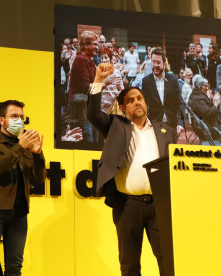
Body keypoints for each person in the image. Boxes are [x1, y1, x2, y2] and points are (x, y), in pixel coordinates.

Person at [87, 63, 177, 276]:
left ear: (146, 103)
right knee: (129, 265)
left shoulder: (166, 130)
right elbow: (92, 114)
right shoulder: (115, 125)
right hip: (127, 205)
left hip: (160, 206)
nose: (136, 102)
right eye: (130, 100)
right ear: (122, 108)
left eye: (139, 98)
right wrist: (99, 79)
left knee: (169, 261)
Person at [0, 100, 46, 276]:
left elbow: (39, 178)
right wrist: (20, 147)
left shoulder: (26, 145)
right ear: (1, 120)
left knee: (14, 266)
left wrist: (37, 155)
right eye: (14, 116)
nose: (19, 120)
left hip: (19, 212)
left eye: (21, 117)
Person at [68, 30, 100, 143]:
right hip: (80, 111)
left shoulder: (91, 62)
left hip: (89, 110)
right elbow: (85, 87)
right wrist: (105, 83)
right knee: (88, 141)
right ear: (85, 45)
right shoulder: (80, 60)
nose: (98, 47)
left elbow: (96, 86)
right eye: (95, 44)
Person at [142, 48, 183, 131]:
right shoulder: (146, 81)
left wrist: (180, 123)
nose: (155, 65)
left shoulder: (173, 79)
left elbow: (180, 103)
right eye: (153, 62)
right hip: (154, 125)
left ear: (164, 64)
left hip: (171, 125)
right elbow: (144, 104)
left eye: (158, 62)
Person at [188, 77, 221, 145]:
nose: (207, 88)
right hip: (210, 129)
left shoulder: (198, 94)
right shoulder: (197, 99)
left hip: (210, 125)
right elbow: (208, 114)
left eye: (207, 85)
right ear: (199, 86)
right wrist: (216, 103)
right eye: (205, 86)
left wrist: (211, 99)